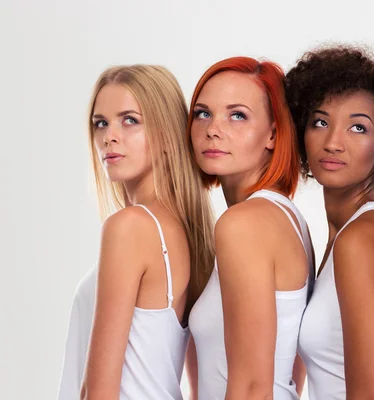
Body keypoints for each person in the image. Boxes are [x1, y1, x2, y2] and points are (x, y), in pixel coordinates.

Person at [58, 65, 214, 400]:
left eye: (130, 119)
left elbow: (99, 391)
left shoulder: (130, 227)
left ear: (167, 134)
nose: (108, 136)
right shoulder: (185, 232)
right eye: (101, 122)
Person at [284, 45, 374, 400]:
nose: (333, 142)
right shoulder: (344, 234)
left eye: (357, 128)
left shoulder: (363, 238)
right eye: (320, 122)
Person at [186, 57, 314, 400]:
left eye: (237, 115)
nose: (214, 128)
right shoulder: (289, 217)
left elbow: (254, 387)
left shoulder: (244, 223)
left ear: (273, 134)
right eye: (202, 113)